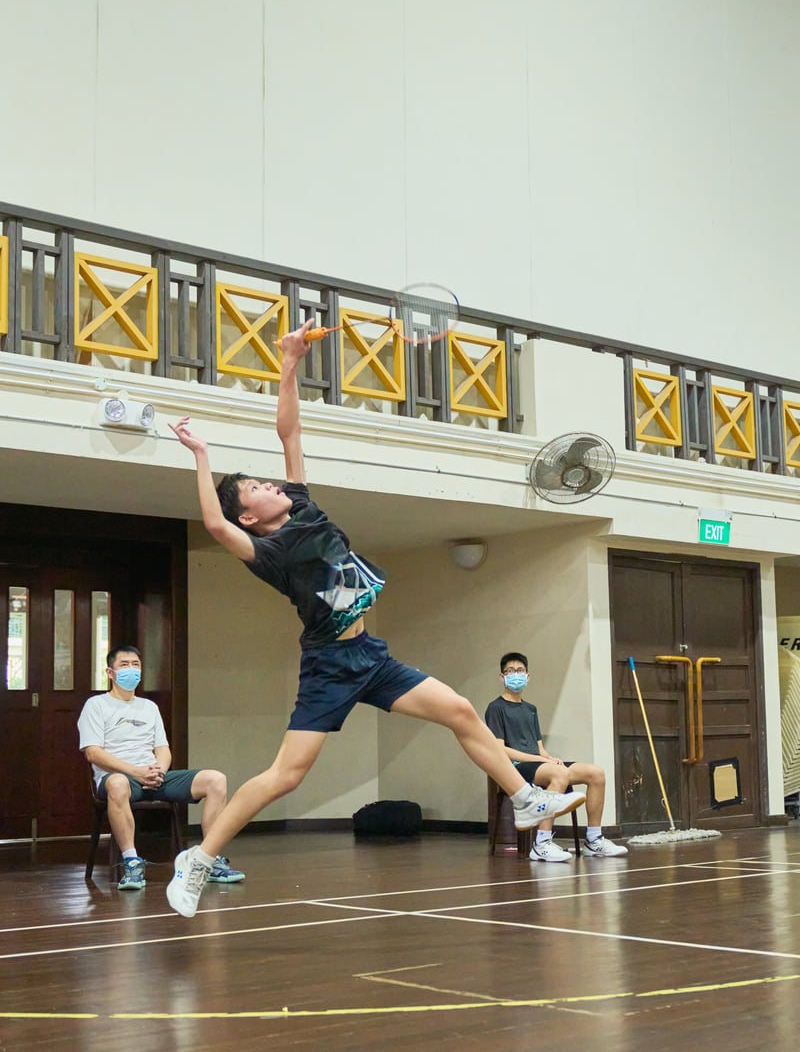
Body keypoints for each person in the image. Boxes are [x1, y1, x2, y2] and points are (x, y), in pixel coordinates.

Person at [165, 318, 586, 918]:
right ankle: (200, 859)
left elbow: (290, 429)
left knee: (463, 712)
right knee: (286, 776)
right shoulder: (269, 554)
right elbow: (212, 524)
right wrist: (202, 457)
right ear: (250, 518)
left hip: (372, 656)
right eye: (256, 487)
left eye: (264, 480)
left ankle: (524, 799)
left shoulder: (302, 505)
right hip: (330, 666)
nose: (270, 483)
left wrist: (289, 361)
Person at [77, 644, 246, 890]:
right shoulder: (96, 705)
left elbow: (163, 749)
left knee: (215, 779)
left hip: (154, 776)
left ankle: (208, 860)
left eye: (136, 665)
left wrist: (159, 772)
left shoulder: (149, 707)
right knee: (117, 783)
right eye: (124, 665)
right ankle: (132, 863)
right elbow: (93, 753)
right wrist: (135, 772)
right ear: (110, 673)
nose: (131, 670)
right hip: (121, 779)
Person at [485, 652, 627, 861]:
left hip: (538, 764)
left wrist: (550, 758)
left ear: (528, 676)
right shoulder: (495, 708)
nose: (516, 675)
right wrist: (542, 761)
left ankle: (594, 840)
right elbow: (500, 750)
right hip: (516, 768)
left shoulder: (531, 709)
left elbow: (540, 748)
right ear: (502, 677)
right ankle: (541, 844)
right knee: (559, 775)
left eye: (520, 670)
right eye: (511, 671)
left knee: (595, 773)